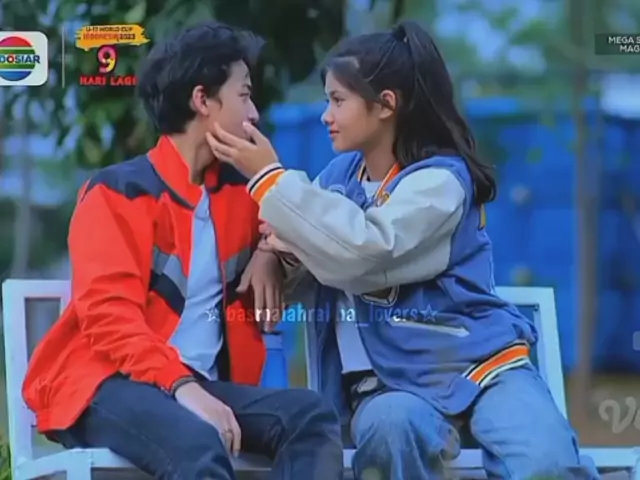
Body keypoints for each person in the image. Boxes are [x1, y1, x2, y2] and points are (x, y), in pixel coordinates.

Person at [206, 20, 599, 480]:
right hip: (387, 389)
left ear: (386, 105)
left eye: (338, 101)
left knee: (547, 461)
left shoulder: (441, 182)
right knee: (390, 429)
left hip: (483, 368)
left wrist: (268, 178)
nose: (326, 116)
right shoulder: (338, 179)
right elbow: (311, 241)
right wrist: (271, 256)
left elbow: (365, 250)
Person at [22, 21, 343, 480]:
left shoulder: (240, 194)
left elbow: (302, 232)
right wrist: (181, 385)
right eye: (244, 95)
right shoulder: (118, 192)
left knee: (311, 417)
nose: (254, 113)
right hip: (107, 384)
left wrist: (269, 254)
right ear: (202, 100)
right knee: (199, 443)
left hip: (199, 386)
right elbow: (109, 318)